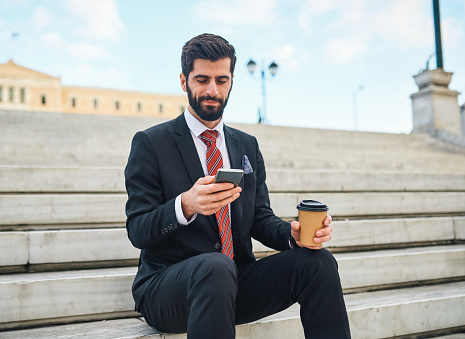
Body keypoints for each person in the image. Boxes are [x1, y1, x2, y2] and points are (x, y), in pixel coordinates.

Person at [124, 33, 351, 338]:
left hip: (235, 282)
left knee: (318, 262)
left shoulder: (246, 145)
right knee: (215, 268)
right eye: (202, 79)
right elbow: (138, 229)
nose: (212, 90)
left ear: (232, 81)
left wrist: (293, 235)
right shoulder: (151, 143)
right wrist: (186, 205)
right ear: (183, 81)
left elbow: (259, 216)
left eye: (221, 80)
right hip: (168, 289)